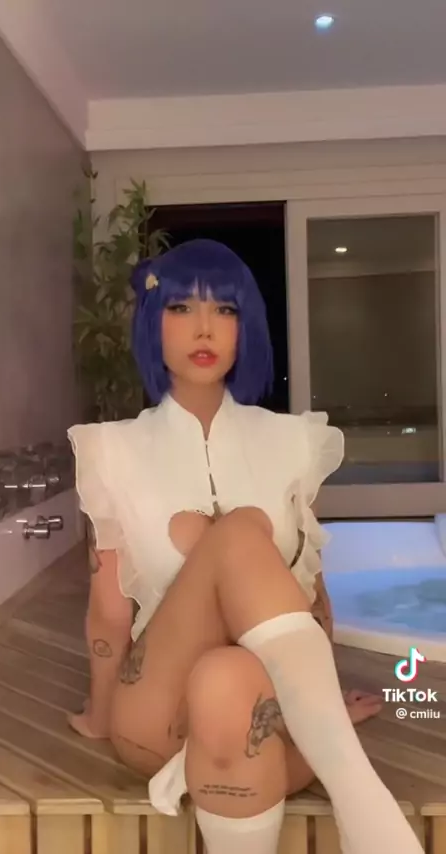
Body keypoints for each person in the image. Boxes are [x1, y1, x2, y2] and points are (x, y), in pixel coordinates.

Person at [67, 239, 423, 854]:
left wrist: (320, 701)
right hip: (158, 706)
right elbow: (110, 609)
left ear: (245, 326)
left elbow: (310, 587)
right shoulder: (113, 450)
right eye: (182, 308)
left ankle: (336, 767)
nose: (204, 328)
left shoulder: (292, 441)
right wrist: (102, 714)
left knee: (228, 678)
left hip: (267, 709)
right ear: (153, 323)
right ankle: (356, 785)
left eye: (225, 310)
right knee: (236, 535)